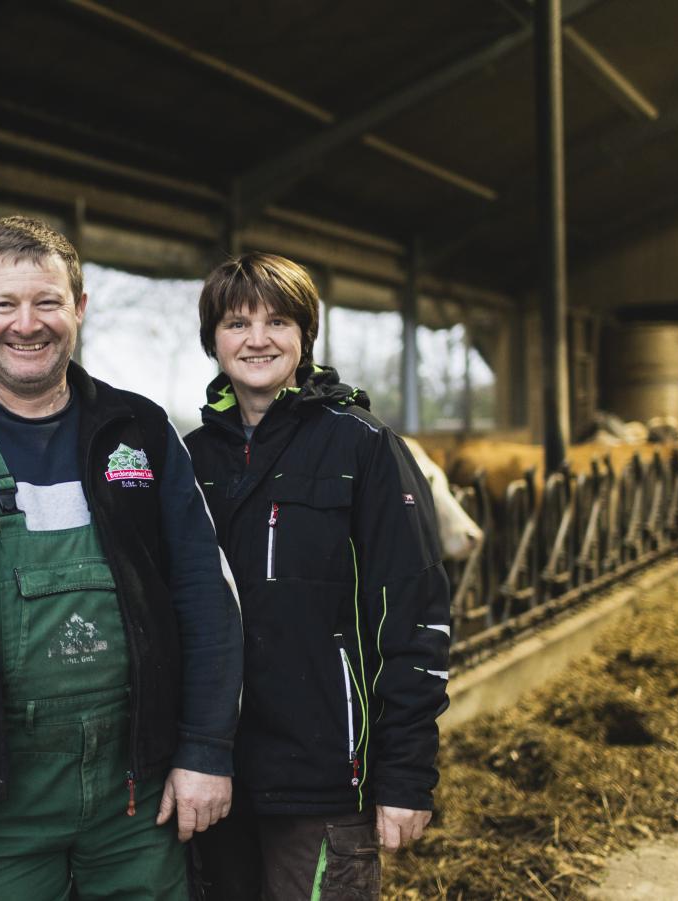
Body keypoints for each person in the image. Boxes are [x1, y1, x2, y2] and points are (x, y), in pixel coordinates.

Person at [0, 216, 242, 899]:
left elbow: (207, 594)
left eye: (47, 302)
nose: (26, 324)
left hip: (136, 797)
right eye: (2, 304)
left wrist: (206, 747)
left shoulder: (140, 431)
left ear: (79, 308)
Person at [184, 253, 451, 900]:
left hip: (327, 779)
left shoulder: (361, 446)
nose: (257, 338)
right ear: (212, 339)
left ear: (305, 336)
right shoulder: (192, 458)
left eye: (278, 320)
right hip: (213, 777)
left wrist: (406, 778)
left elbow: (415, 616)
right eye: (236, 321)